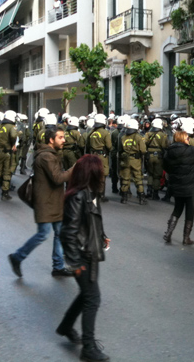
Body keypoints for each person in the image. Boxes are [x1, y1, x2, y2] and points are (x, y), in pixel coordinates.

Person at [57, 155, 110, 362]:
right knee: (92, 298)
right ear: (92, 172)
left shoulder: (91, 193)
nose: (103, 172)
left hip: (89, 251)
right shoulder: (78, 196)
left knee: (86, 295)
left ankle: (66, 327)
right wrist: (75, 263)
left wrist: (101, 236)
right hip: (82, 255)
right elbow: (68, 232)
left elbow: (93, 220)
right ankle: (88, 347)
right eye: (100, 169)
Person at [9, 127, 73, 277]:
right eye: (60, 137)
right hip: (45, 202)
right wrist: (74, 169)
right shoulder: (46, 157)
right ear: (51, 140)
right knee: (43, 234)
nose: (64, 140)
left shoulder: (51, 154)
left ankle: (58, 267)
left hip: (54, 201)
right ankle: (17, 257)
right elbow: (57, 178)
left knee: (59, 233)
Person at [162, 125, 194, 245]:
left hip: (176, 185)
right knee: (190, 210)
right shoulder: (190, 151)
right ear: (183, 139)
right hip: (190, 186)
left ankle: (168, 233)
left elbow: (165, 167)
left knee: (177, 208)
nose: (189, 140)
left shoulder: (169, 151)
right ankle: (186, 237)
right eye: (187, 138)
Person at [118, 118, 147, 205]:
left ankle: (124, 198)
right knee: (138, 179)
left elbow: (120, 149)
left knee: (125, 179)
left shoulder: (123, 137)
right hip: (136, 160)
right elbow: (143, 150)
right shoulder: (139, 137)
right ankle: (141, 198)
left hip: (125, 160)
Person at [86, 114, 111, 201]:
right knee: (102, 174)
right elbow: (109, 146)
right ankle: (101, 194)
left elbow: (87, 144)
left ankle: (93, 193)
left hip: (92, 155)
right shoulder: (105, 132)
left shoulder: (91, 132)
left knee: (93, 173)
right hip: (102, 156)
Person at [144, 118, 168, 200]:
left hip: (149, 155)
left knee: (150, 173)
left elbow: (144, 143)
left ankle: (149, 191)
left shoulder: (148, 134)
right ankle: (155, 193)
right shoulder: (163, 135)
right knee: (157, 175)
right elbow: (165, 146)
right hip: (159, 156)